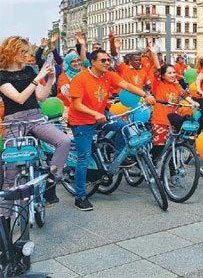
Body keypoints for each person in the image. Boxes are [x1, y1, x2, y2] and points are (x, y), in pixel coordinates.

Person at [68, 49, 155, 211]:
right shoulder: (80, 78)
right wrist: (94, 113)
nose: (107, 63)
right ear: (93, 62)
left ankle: (118, 157)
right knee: (84, 158)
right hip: (81, 121)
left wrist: (145, 95)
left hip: (101, 114)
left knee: (123, 127)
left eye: (108, 60)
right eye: (103, 60)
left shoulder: (108, 75)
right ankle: (80, 196)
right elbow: (77, 105)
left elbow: (127, 85)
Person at [0, 36, 71, 209]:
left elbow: (41, 96)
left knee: (64, 141)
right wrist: (38, 77)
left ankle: (51, 181)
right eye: (22, 52)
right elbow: (19, 98)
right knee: (10, 175)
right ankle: (5, 220)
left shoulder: (30, 71)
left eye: (27, 52)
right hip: (13, 122)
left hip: (36, 117)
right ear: (11, 51)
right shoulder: (1, 74)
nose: (26, 55)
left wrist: (50, 80)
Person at [148, 56, 199, 165]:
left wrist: (193, 102)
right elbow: (157, 69)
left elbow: (184, 95)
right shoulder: (158, 84)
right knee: (159, 146)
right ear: (162, 75)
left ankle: (172, 172)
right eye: (169, 73)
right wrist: (154, 53)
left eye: (174, 72)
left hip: (172, 121)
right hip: (160, 120)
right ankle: (149, 162)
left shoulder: (176, 85)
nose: (172, 75)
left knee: (173, 147)